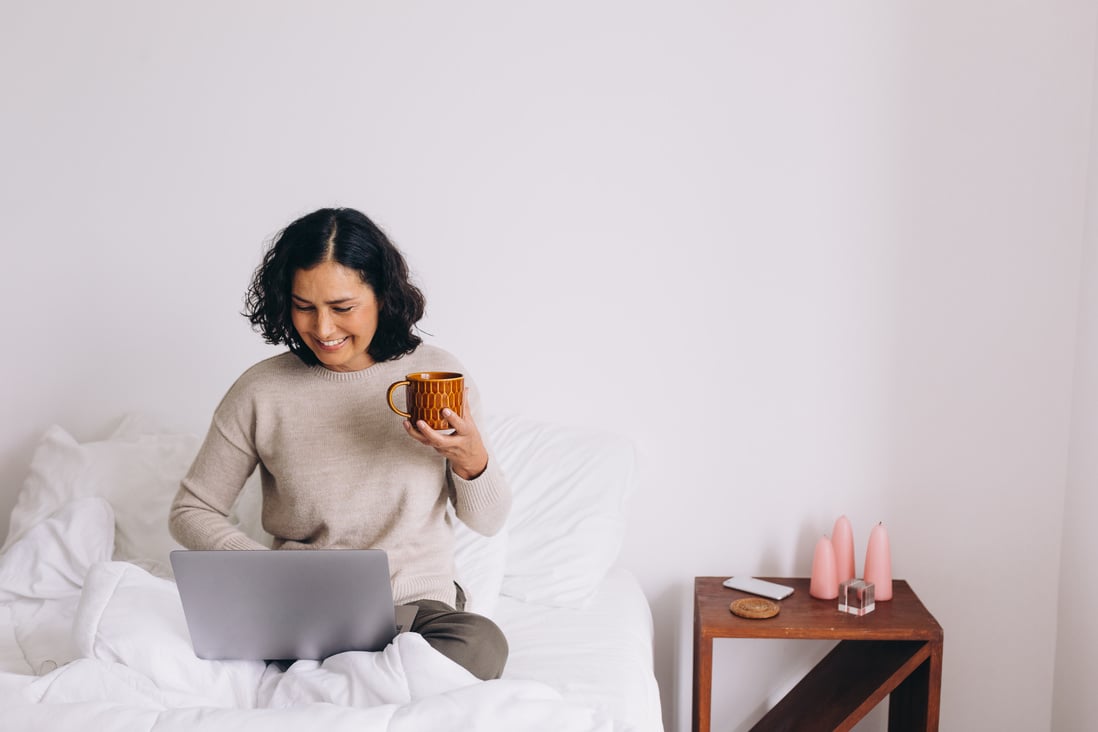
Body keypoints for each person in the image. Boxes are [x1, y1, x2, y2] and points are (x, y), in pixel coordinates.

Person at [169, 207, 511, 680]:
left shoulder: (435, 375)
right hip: (302, 612)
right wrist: (265, 572)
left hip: (416, 613)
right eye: (304, 307)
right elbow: (191, 510)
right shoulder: (261, 389)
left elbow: (488, 521)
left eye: (342, 308)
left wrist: (471, 459)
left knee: (482, 644)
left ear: (382, 297)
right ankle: (358, 688)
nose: (323, 330)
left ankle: (323, 690)